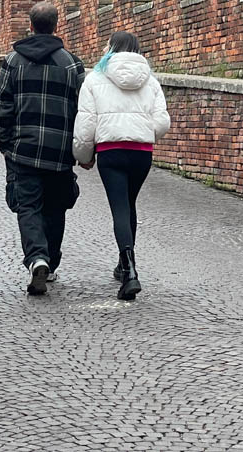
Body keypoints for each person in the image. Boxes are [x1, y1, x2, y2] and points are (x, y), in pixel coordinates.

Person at [0, 1, 85, 296]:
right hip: (59, 151)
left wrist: (4, 141)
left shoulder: (13, 61)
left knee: (28, 207)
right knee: (56, 207)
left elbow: (3, 103)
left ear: (30, 26)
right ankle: (51, 263)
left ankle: (37, 258)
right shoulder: (71, 63)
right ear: (57, 25)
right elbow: (80, 108)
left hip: (24, 150)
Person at [73, 30, 170, 301]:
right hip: (141, 152)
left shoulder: (95, 78)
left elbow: (86, 123)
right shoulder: (150, 80)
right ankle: (123, 264)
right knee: (129, 204)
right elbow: (162, 121)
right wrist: (144, 132)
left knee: (119, 207)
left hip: (110, 151)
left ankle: (129, 271)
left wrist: (83, 155)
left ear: (111, 48)